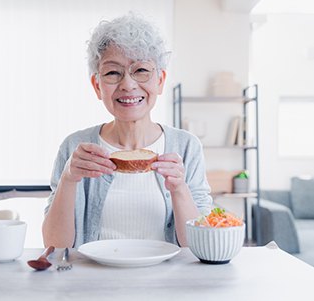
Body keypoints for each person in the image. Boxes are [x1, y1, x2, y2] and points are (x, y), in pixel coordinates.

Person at [42, 13, 212, 249]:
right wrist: (68, 179)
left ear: (160, 80)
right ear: (97, 85)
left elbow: (200, 245)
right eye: (113, 72)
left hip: (166, 283)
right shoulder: (75, 147)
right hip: (94, 282)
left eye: (141, 70)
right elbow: (54, 246)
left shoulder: (186, 147)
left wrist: (180, 189)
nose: (128, 84)